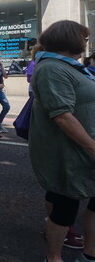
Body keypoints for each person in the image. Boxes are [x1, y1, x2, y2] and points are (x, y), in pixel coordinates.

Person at [27, 20, 94, 262]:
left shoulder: (71, 66)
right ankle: (53, 258)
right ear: (70, 39)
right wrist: (92, 147)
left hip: (83, 147)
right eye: (83, 38)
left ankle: (90, 253)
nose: (86, 43)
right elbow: (62, 116)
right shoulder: (52, 68)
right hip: (70, 152)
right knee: (65, 207)